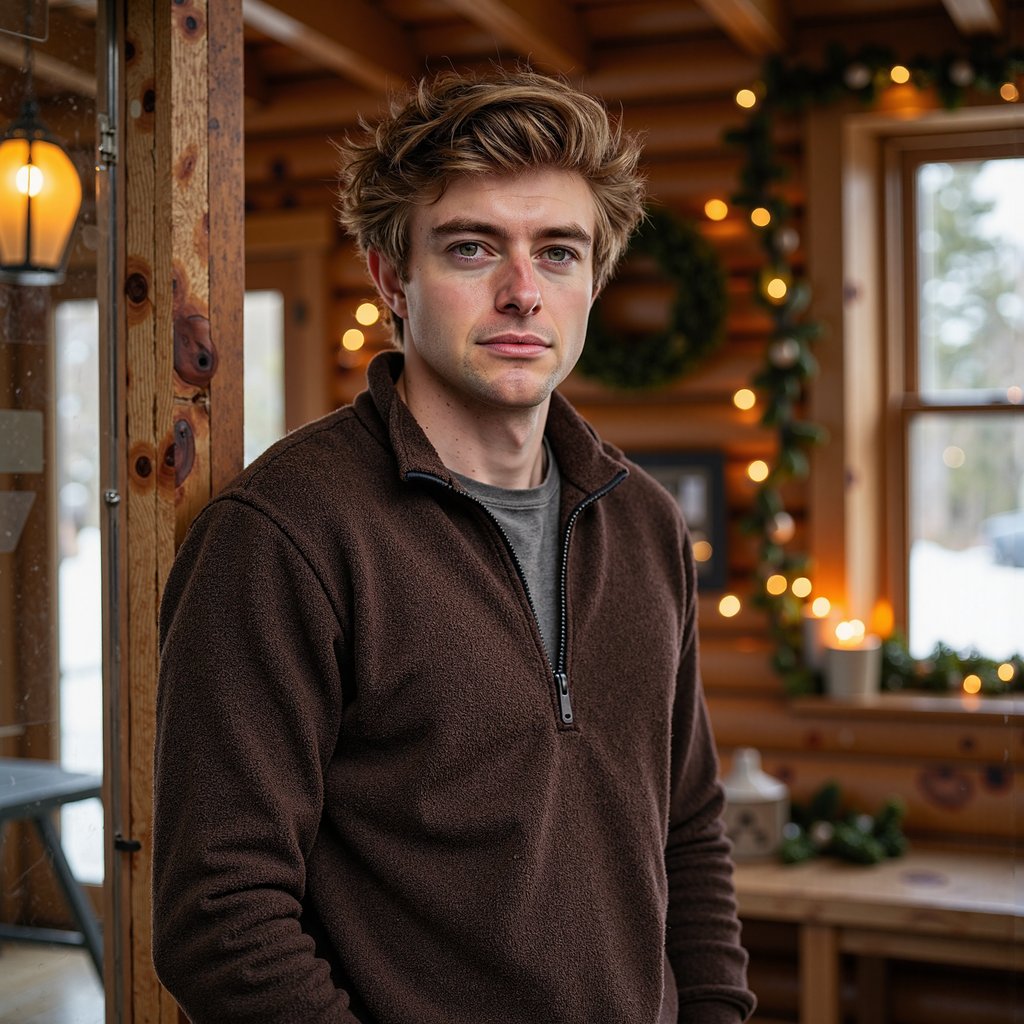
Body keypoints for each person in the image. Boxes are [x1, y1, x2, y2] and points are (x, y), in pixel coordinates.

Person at [152, 68, 755, 1024]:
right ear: (391, 277)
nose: (522, 293)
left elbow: (687, 831)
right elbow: (219, 915)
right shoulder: (283, 535)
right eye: (472, 248)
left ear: (594, 280)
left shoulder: (644, 523)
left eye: (558, 252)